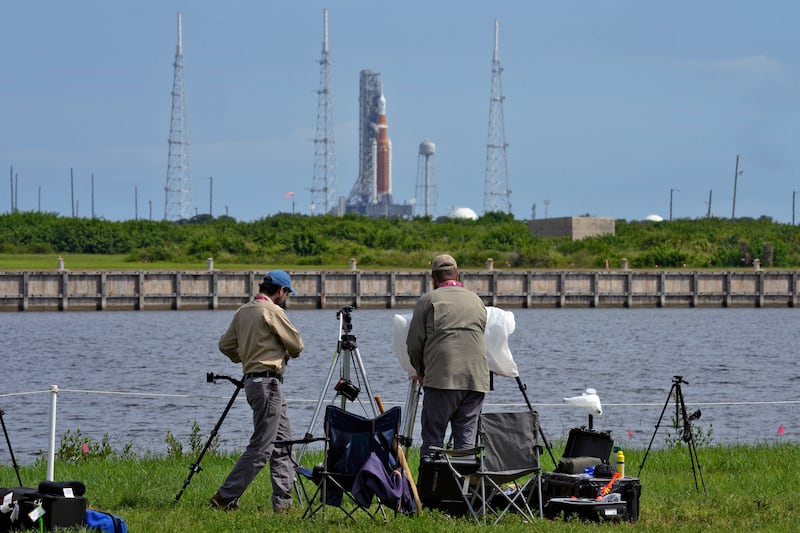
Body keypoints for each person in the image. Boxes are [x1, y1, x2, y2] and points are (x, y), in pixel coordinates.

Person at [210, 269, 304, 513]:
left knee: (283, 443)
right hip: (269, 384)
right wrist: (279, 355)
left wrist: (246, 357)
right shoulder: (272, 311)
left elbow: (225, 345)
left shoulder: (243, 311)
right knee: (262, 447)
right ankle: (224, 497)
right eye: (287, 293)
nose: (286, 297)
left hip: (254, 383)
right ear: (281, 291)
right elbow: (296, 345)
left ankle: (283, 504)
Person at [406, 254, 489, 459]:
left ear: (433, 278)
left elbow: (414, 344)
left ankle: (431, 490)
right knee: (466, 441)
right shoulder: (476, 300)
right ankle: (462, 489)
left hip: (442, 378)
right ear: (458, 274)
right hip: (476, 379)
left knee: (433, 439)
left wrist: (421, 372)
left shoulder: (428, 300)